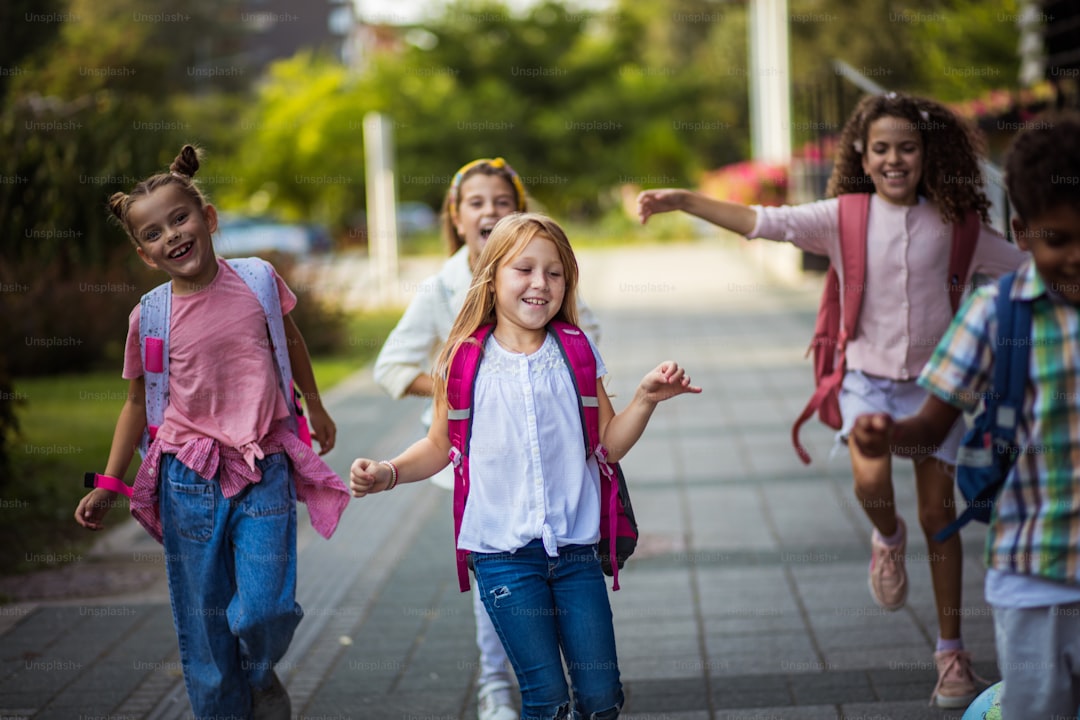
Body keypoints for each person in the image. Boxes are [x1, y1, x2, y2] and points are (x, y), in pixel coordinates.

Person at [637, 92, 1027, 708]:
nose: (894, 159)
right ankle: (886, 536)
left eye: (907, 147)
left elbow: (1026, 267)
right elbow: (763, 222)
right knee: (871, 489)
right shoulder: (844, 216)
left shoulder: (960, 225)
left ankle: (952, 657)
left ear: (928, 154)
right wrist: (682, 200)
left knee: (940, 518)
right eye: (881, 149)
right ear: (862, 157)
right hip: (866, 381)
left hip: (938, 389)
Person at [354, 212, 700, 720]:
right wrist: (387, 472)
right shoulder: (460, 362)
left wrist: (646, 398)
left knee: (603, 698)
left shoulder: (577, 352)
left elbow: (608, 445)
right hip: (503, 558)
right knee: (547, 700)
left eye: (555, 272)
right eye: (525, 269)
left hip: (578, 554)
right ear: (491, 278)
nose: (541, 283)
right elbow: (437, 446)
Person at [73, 145, 350, 720]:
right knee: (204, 620)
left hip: (263, 465)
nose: (171, 235)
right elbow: (133, 404)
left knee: (263, 609)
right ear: (144, 254)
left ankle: (258, 672)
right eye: (153, 233)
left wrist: (315, 405)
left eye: (180, 218)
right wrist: (109, 481)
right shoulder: (148, 316)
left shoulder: (257, 280)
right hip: (186, 477)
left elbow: (291, 340)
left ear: (209, 219)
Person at [851, 112, 1080, 719]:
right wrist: (886, 434)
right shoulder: (995, 315)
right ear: (1022, 233)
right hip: (1034, 574)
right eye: (1059, 239)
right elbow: (931, 425)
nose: (1078, 257)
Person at [373, 157, 600, 720]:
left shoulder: (545, 283)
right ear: (456, 216)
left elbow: (588, 354)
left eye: (503, 201)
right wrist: (469, 391)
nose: (490, 212)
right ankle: (496, 686)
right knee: (497, 584)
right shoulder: (441, 288)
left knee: (565, 601)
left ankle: (561, 683)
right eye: (476, 203)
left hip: (553, 468)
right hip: (479, 467)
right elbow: (392, 368)